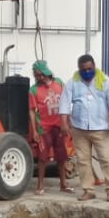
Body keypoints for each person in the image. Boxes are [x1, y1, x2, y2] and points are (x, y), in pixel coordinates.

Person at [61, 53, 109, 202]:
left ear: (94, 66)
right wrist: (64, 123)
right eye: (84, 69)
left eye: (90, 68)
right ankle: (88, 190)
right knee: (83, 161)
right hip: (79, 128)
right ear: (79, 69)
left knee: (106, 160)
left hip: (100, 128)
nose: (87, 71)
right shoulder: (73, 83)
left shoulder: (105, 81)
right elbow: (64, 104)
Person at [29, 59, 72, 195]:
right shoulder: (33, 90)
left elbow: (66, 102)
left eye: (41, 74)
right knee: (43, 157)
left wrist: (68, 122)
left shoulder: (59, 83)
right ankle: (40, 186)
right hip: (44, 128)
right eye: (36, 75)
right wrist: (35, 130)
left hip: (59, 126)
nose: (39, 77)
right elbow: (32, 110)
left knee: (61, 156)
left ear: (47, 73)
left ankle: (63, 184)